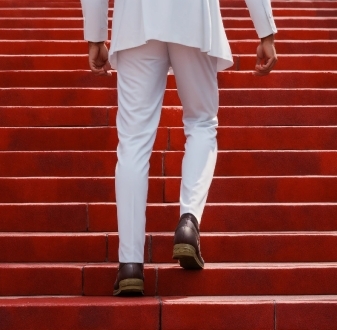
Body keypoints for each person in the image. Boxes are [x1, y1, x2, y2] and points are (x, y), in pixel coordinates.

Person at [80, 0, 278, 296]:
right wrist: (265, 31)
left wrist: (96, 34)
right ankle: (188, 222)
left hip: (136, 18)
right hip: (195, 15)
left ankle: (130, 264)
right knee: (201, 123)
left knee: (133, 142)